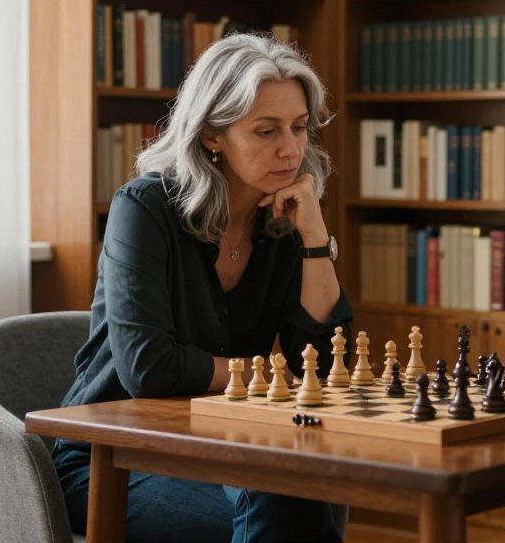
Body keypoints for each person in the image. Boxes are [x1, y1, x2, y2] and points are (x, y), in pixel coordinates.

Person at [53, 33, 353, 543]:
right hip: (114, 458)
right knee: (284, 506)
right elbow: (150, 370)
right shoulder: (143, 210)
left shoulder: (283, 217)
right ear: (212, 135)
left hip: (224, 446)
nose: (291, 149)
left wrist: (314, 237)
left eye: (300, 128)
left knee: (287, 494)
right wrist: (266, 370)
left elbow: (324, 366)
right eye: (266, 131)